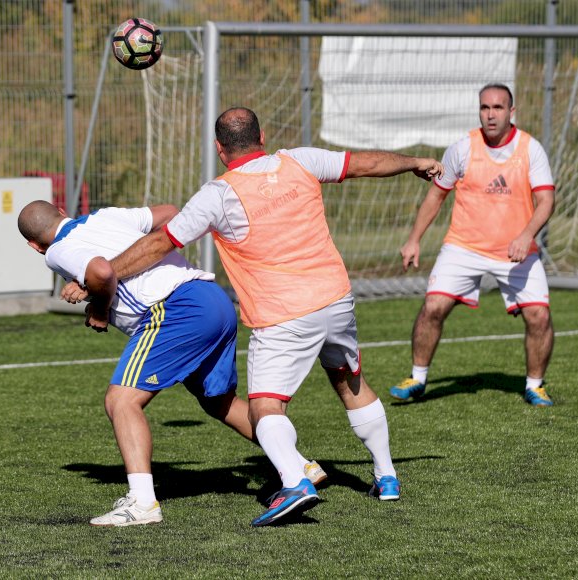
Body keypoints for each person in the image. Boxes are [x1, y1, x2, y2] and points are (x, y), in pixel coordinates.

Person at [106, 107, 444, 527]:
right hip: (336, 299)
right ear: (262, 136)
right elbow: (365, 163)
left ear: (219, 149)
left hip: (282, 314)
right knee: (349, 380)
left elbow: (161, 243)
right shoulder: (299, 160)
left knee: (266, 406)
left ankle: (295, 482)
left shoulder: (217, 194)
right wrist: (415, 162)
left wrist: (104, 273)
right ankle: (386, 476)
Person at [17, 200, 326, 527]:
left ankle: (142, 503)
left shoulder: (57, 250)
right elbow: (170, 212)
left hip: (176, 309)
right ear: (62, 212)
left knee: (121, 401)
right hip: (211, 297)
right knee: (217, 401)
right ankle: (299, 466)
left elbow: (102, 272)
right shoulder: (106, 216)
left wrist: (100, 308)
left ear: (34, 246)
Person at [389, 83, 556, 407]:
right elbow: (436, 196)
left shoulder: (530, 149)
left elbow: (546, 201)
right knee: (433, 307)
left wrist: (526, 236)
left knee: (539, 316)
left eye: (498, 107)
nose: (490, 114)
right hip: (463, 247)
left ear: (511, 112)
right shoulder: (462, 148)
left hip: (515, 249)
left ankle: (535, 386)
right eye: (485, 107)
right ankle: (417, 379)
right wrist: (413, 239)